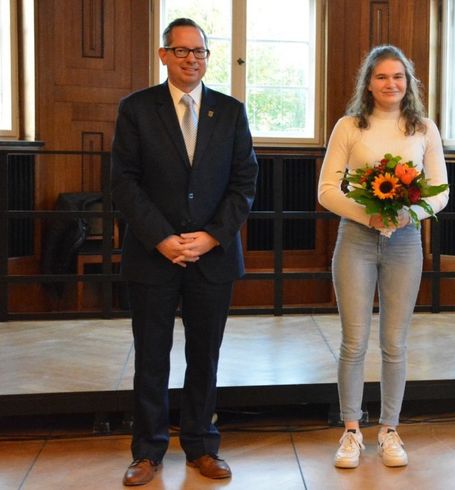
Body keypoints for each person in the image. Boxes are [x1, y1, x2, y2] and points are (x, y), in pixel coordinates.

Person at [111, 18, 258, 486]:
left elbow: (244, 184)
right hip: (154, 254)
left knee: (205, 356)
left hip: (213, 255)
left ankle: (201, 445)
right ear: (163, 55)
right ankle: (148, 452)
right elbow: (125, 182)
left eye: (199, 51)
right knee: (152, 357)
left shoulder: (231, 112)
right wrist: (162, 238)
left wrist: (212, 236)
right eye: (181, 51)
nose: (192, 59)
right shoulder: (136, 109)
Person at [317, 45, 449, 469]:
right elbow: (326, 190)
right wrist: (368, 216)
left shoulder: (423, 128)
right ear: (368, 83)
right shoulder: (349, 126)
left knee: (395, 343)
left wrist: (407, 213)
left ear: (408, 82)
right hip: (356, 239)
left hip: (406, 242)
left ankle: (390, 429)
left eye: (398, 77)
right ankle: (351, 431)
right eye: (381, 77)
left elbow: (441, 191)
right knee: (353, 342)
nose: (391, 84)